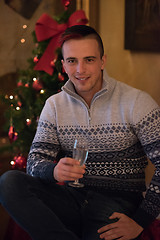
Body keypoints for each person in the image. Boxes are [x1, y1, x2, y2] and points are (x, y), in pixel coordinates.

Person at [0, 25, 160, 240]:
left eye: (89, 60)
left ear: (103, 61)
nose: (80, 70)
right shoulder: (54, 105)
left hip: (116, 204)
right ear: (63, 65)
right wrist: (54, 171)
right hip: (70, 197)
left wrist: (140, 221)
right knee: (9, 182)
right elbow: (35, 162)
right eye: (72, 61)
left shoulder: (136, 102)